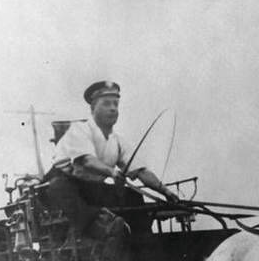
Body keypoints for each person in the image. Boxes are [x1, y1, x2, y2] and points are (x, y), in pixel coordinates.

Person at [46, 80, 178, 238]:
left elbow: (141, 172)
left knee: (133, 196)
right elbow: (86, 161)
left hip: (91, 189)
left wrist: (166, 192)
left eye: (116, 104)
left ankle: (142, 242)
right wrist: (111, 172)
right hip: (61, 186)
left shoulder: (117, 141)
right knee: (62, 188)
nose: (113, 109)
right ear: (93, 108)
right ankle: (97, 233)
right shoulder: (79, 130)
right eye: (107, 104)